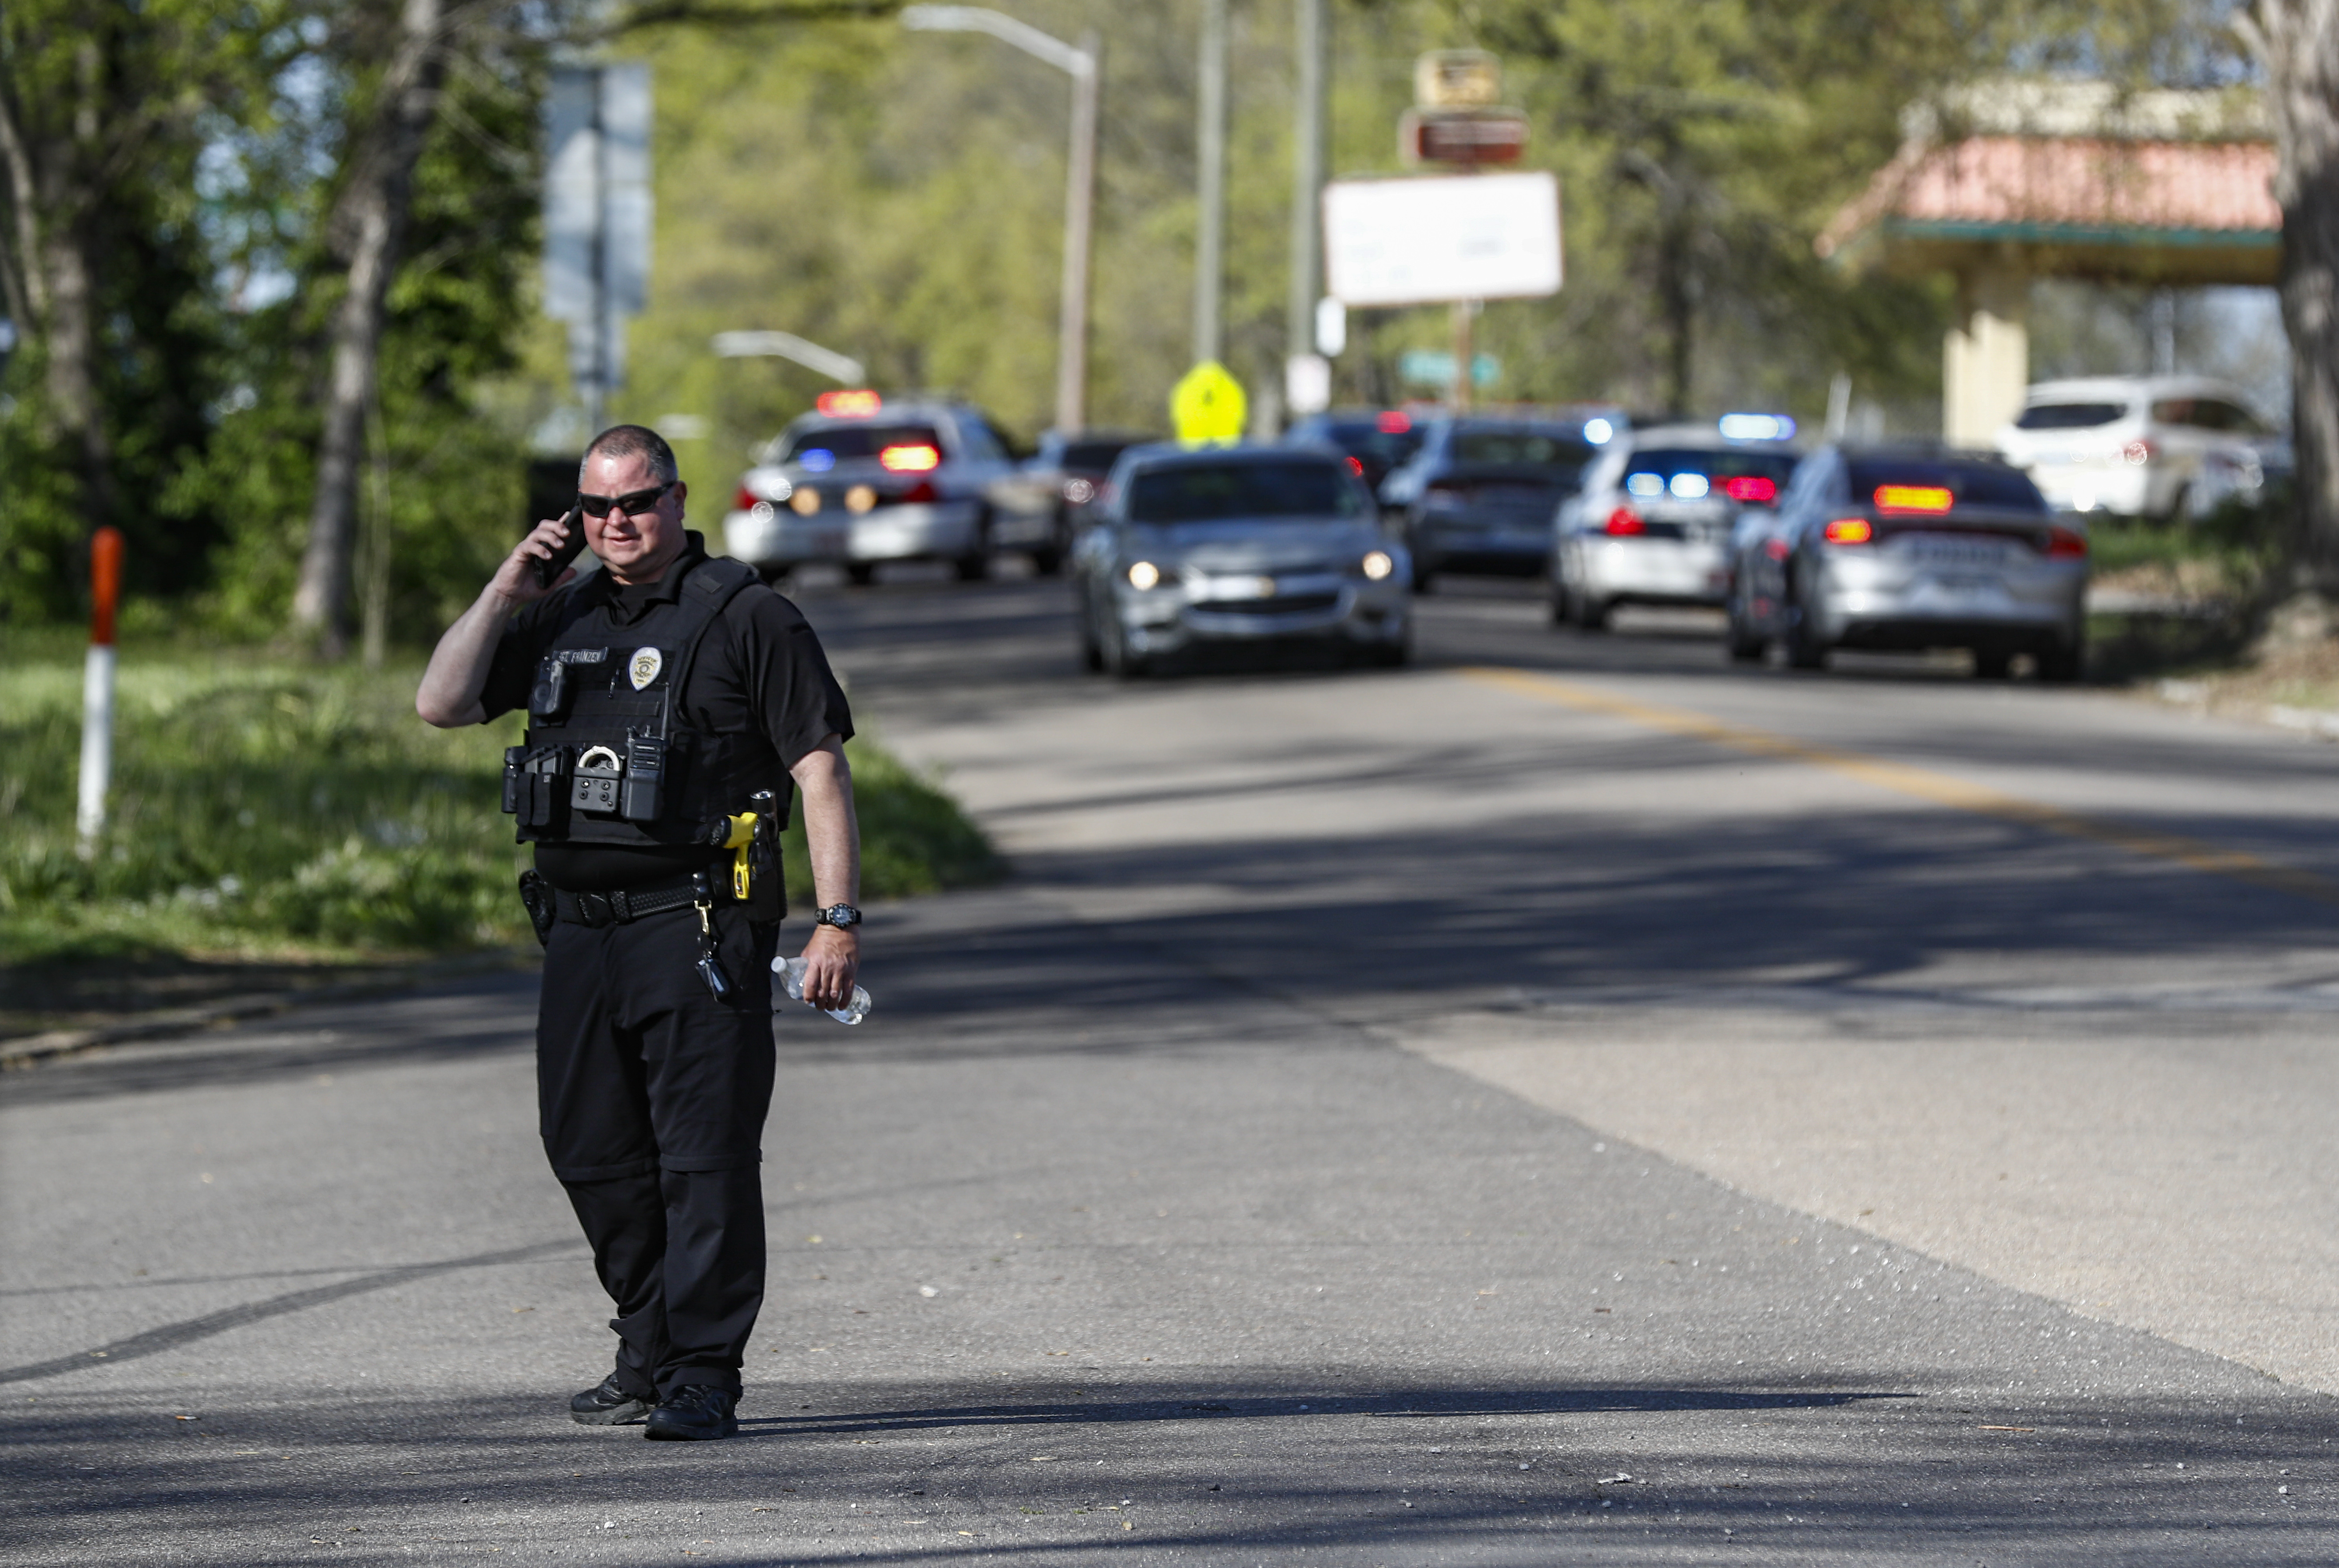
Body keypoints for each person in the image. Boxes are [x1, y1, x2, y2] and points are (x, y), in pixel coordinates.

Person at [416, 424, 860, 1441]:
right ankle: (647, 1347)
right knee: (589, 1147)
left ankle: (702, 1369)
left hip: (701, 921)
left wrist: (837, 922)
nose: (617, 522)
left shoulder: (750, 618)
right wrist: (503, 591)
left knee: (701, 1156)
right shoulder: (560, 613)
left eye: (638, 501)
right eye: (597, 507)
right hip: (581, 931)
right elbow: (440, 703)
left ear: (677, 498)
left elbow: (820, 771)